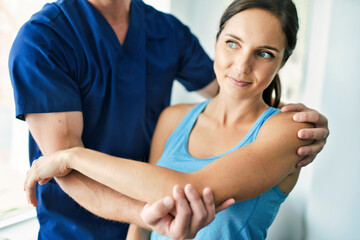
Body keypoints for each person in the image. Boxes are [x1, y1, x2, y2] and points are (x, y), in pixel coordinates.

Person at [24, 0, 329, 239]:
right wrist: (147, 217)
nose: (243, 63)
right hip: (74, 229)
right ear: (218, 41)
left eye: (264, 53)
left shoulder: (167, 32)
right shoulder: (45, 39)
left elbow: (235, 91)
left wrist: (291, 121)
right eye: (232, 43)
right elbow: (231, 84)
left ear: (283, 61)